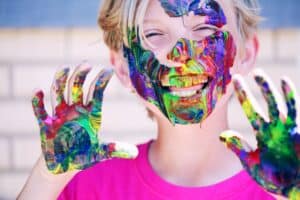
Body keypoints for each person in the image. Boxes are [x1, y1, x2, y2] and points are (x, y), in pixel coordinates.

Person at [17, 0, 300, 199]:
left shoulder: (283, 186)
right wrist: (47, 179)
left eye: (204, 29)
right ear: (123, 66)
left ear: (247, 53)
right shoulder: (86, 186)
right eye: (153, 34)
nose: (181, 55)